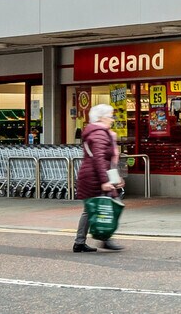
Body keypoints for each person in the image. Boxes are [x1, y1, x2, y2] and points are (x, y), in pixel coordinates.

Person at [71, 103, 123, 254]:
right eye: (110, 116)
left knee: (93, 208)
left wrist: (114, 178)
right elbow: (99, 159)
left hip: (94, 175)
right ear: (101, 118)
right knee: (109, 205)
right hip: (94, 176)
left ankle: (82, 242)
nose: (112, 119)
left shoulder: (100, 132)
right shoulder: (99, 133)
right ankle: (104, 238)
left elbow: (107, 160)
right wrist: (105, 181)